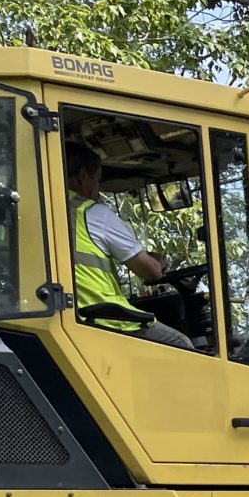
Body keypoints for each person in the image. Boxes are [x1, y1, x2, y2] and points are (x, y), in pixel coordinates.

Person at [64, 142, 197, 352]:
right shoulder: (91, 213)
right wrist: (158, 262)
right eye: (97, 180)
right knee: (182, 346)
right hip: (102, 317)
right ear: (82, 176)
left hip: (62, 317)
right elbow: (151, 272)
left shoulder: (34, 215)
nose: (98, 191)